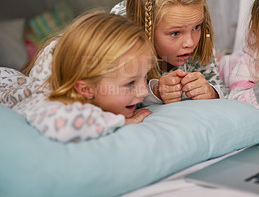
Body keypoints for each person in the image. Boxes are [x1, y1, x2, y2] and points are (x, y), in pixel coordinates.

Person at [0, 11, 156, 142]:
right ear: (86, 90)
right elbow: (61, 125)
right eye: (130, 83)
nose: (143, 92)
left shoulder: (102, 87)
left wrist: (157, 90)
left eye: (145, 77)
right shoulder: (50, 102)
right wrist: (121, 122)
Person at [111, 0, 226, 105]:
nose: (190, 42)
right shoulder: (120, 43)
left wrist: (211, 91)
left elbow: (220, 85)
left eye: (197, 27)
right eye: (175, 33)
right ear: (145, 29)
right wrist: (155, 92)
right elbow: (113, 97)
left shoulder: (198, 40)